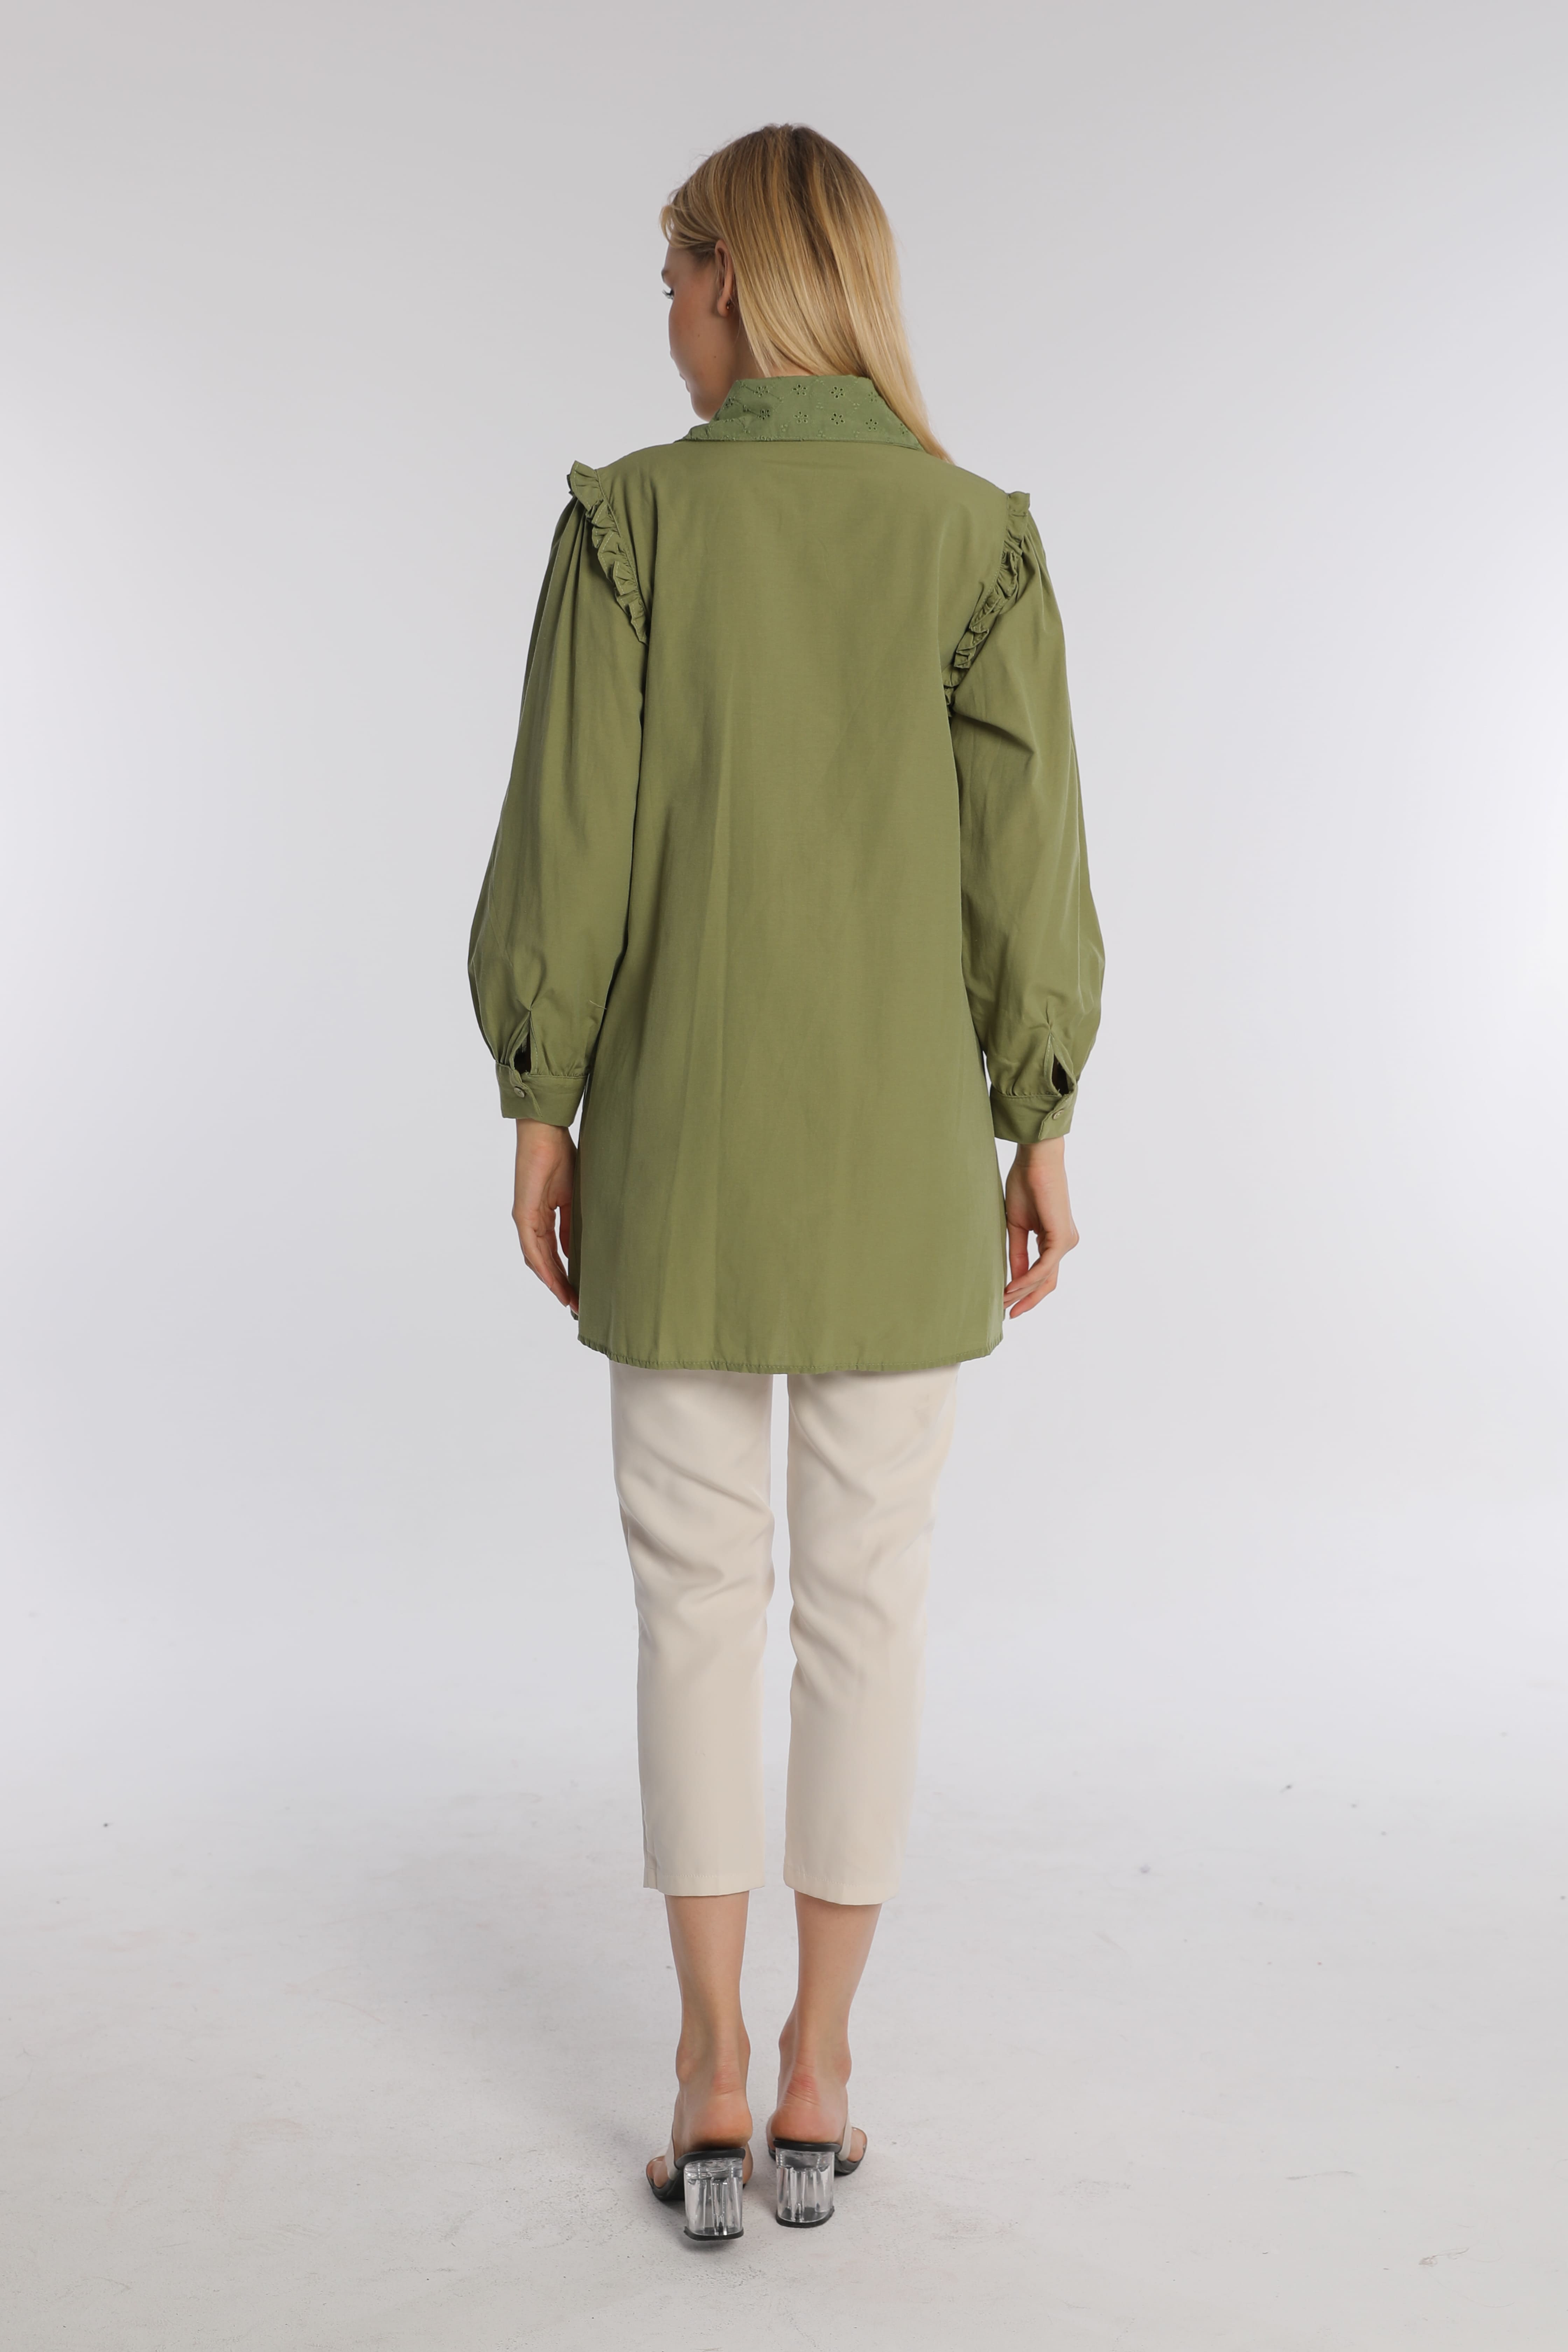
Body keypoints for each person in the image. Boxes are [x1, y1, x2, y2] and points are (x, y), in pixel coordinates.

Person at [468, 122, 1103, 2237]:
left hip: (682, 1146)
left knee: (693, 1601)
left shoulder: (631, 526)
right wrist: (1041, 1118)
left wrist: (543, 1103)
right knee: (867, 1605)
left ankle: (709, 2067)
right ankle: (826, 2063)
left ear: (737, 279)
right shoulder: (974, 539)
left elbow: (568, 836)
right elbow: (1029, 865)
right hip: (902, 1160)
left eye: (674, 274)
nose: (662, 312)